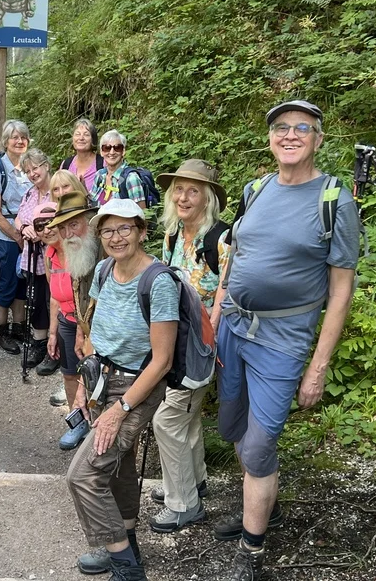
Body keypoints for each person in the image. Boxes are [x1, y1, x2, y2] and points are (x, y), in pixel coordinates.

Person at [210, 100, 359, 581]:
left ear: (318, 139)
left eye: (302, 127)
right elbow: (234, 257)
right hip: (233, 328)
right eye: (280, 127)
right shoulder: (255, 189)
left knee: (259, 444)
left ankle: (251, 552)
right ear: (270, 138)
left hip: (282, 339)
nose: (290, 134)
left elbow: (340, 290)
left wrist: (317, 366)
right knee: (233, 427)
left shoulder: (334, 200)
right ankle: (265, 509)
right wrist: (215, 315)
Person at [66, 200, 179, 581]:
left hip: (136, 387)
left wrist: (120, 410)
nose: (116, 238)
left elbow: (162, 361)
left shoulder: (158, 283)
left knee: (83, 475)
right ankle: (125, 542)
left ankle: (127, 568)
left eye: (125, 228)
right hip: (101, 380)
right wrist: (84, 387)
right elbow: (95, 333)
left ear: (142, 232)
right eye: (108, 231)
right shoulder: (103, 270)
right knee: (119, 466)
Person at [148, 160, 232, 534]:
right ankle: (192, 481)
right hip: (175, 340)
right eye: (178, 190)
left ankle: (184, 504)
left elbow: (226, 292)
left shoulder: (221, 239)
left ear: (208, 198)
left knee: (167, 420)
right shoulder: (172, 235)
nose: (183, 197)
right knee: (188, 416)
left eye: (193, 190)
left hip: (201, 345)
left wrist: (210, 343)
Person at [36, 170, 90, 389]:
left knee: (91, 378)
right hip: (66, 321)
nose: (49, 230)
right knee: (69, 376)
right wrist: (52, 334)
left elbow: (90, 295)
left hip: (89, 323)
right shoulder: (50, 253)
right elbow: (54, 297)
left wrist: (81, 329)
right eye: (55, 189)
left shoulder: (86, 246)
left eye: (65, 187)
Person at [0, 119, 33, 353]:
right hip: (7, 236)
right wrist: (17, 237)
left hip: (29, 234)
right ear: (6, 142)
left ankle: (19, 327)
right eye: (15, 137)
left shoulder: (29, 167)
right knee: (7, 281)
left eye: (23, 137)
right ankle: (0, 331)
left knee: (23, 280)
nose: (19, 141)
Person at [14, 148, 54, 366]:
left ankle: (56, 347)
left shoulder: (57, 191)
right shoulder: (30, 193)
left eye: (35, 168)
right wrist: (24, 229)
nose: (32, 174)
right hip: (32, 256)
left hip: (53, 255)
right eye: (28, 171)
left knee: (55, 299)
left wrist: (41, 233)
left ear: (46, 165)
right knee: (36, 300)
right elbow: (18, 218)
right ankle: (40, 343)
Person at [91, 130, 146, 208]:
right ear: (101, 152)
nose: (112, 152)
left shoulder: (131, 178)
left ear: (123, 151)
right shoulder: (99, 175)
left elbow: (141, 212)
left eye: (117, 148)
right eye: (107, 148)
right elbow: (91, 204)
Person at [60, 117, 103, 195]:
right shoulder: (66, 165)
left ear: (93, 139)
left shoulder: (102, 164)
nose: (81, 138)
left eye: (86, 135)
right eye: (77, 134)